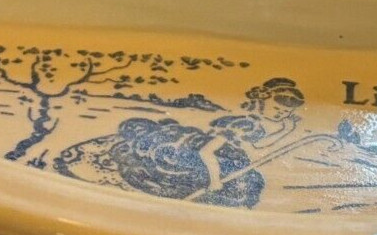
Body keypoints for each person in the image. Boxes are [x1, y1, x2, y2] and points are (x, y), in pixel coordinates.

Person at [53, 78, 306, 208]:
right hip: (202, 159)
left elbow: (260, 149)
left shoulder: (255, 127)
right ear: (262, 100)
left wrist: (289, 130)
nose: (280, 115)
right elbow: (207, 152)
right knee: (185, 181)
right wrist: (214, 180)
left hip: (224, 162)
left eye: (285, 113)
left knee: (249, 184)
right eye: (278, 110)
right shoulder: (241, 124)